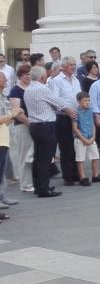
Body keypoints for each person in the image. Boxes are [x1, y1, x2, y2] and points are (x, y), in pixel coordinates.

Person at [25, 65, 76, 198]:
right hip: (45, 125)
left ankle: (38, 186)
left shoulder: (28, 89)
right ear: (42, 77)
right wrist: (69, 110)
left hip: (35, 125)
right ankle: (44, 188)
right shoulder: (42, 89)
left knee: (38, 158)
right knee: (45, 159)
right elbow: (57, 101)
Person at [49, 57, 82, 185]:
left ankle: (76, 173)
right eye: (70, 65)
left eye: (74, 65)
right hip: (62, 117)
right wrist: (66, 109)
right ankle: (68, 176)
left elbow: (79, 96)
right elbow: (54, 100)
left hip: (76, 116)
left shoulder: (76, 80)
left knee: (76, 147)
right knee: (66, 147)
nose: (73, 67)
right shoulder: (56, 81)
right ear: (63, 66)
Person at [8, 65, 35, 193]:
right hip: (23, 126)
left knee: (32, 155)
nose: (28, 76)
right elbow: (17, 112)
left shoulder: (32, 88)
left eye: (30, 74)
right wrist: (30, 122)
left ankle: (33, 180)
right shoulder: (15, 90)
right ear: (20, 75)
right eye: (25, 74)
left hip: (34, 125)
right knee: (24, 155)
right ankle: (25, 184)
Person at [72, 91, 100, 186]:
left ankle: (95, 175)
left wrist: (93, 136)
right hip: (81, 138)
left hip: (90, 136)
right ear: (79, 101)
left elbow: (93, 124)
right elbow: (74, 128)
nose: (87, 102)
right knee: (80, 158)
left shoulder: (90, 110)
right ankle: (82, 177)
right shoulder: (76, 112)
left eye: (88, 100)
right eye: (85, 100)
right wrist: (83, 138)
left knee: (95, 156)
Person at [0, 74, 19, 207]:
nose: (6, 81)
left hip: (4, 138)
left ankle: (2, 195)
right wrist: (12, 114)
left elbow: (4, 119)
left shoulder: (2, 96)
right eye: (3, 79)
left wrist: (13, 116)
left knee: (2, 171)